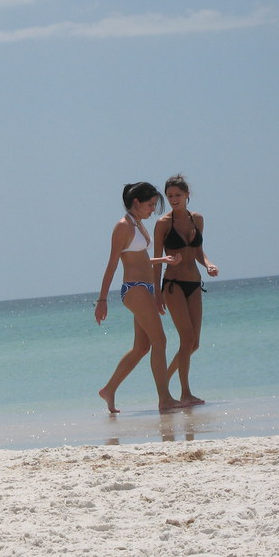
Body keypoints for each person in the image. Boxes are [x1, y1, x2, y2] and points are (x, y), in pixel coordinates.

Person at [95, 182, 181, 414]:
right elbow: (113, 264)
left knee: (142, 347)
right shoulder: (123, 227)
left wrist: (163, 261)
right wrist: (102, 300)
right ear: (136, 202)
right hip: (133, 289)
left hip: (146, 288)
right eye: (150, 204)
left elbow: (139, 259)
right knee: (160, 341)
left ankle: (109, 389)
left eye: (154, 205)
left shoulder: (138, 225)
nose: (153, 209)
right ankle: (165, 399)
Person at [154, 174, 218, 406]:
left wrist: (209, 264)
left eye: (178, 195)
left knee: (194, 343)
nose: (173, 199)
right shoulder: (163, 223)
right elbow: (158, 259)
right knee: (186, 338)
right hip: (172, 284)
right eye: (170, 196)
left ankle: (166, 381)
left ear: (187, 195)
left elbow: (199, 252)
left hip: (194, 282)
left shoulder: (197, 219)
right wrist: (156, 292)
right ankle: (185, 393)